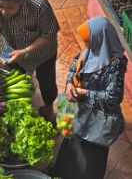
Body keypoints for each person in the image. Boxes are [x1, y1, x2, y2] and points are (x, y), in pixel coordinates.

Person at [50, 16, 127, 179]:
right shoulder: (91, 50)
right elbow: (74, 67)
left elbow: (112, 98)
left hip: (96, 121)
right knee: (70, 147)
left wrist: (84, 93)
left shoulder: (115, 64)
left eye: (89, 42)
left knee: (89, 160)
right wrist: (70, 84)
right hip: (76, 111)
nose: (86, 47)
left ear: (101, 39)